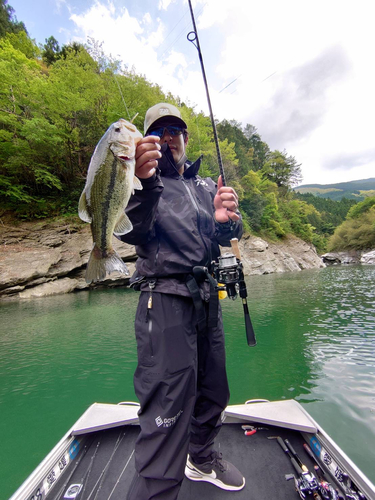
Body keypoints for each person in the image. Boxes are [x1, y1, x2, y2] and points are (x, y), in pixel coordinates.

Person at [120, 103, 245, 500]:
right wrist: (142, 180)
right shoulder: (140, 185)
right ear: (147, 143)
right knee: (168, 404)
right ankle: (158, 491)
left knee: (214, 390)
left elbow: (220, 239)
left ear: (186, 139)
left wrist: (230, 222)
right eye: (159, 132)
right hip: (164, 299)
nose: (169, 137)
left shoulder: (205, 185)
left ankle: (201, 457)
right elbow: (131, 231)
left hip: (207, 296)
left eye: (176, 130)